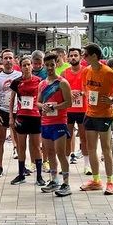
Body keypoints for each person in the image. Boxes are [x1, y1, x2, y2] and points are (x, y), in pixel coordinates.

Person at [79, 43, 113, 195]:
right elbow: (86, 88)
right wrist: (84, 94)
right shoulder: (86, 71)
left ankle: (110, 182)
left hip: (105, 115)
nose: (83, 58)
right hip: (90, 114)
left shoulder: (108, 72)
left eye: (85, 55)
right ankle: (96, 180)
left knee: (106, 149)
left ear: (94, 56)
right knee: (91, 148)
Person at [38, 53, 73, 197]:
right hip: (45, 123)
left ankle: (66, 183)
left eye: (52, 64)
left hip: (59, 122)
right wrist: (43, 106)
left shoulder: (62, 82)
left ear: (56, 64)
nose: (50, 68)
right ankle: (54, 180)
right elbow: (38, 102)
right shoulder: (42, 84)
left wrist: (55, 107)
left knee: (60, 153)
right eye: (47, 65)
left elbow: (69, 102)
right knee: (50, 152)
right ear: (44, 66)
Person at [8, 56, 45, 186]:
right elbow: (12, 99)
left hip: (35, 117)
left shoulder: (39, 81)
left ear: (32, 66)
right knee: (21, 147)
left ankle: (39, 176)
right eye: (24, 65)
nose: (27, 67)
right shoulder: (16, 82)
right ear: (21, 67)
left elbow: (43, 99)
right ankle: (21, 174)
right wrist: (11, 117)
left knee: (36, 147)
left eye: (29, 64)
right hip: (21, 117)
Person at [0, 49, 22, 177]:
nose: (8, 60)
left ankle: (22, 167)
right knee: (0, 139)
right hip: (3, 111)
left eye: (10, 58)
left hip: (18, 111)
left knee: (20, 140)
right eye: (6, 58)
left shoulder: (19, 75)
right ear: (2, 60)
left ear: (14, 59)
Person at [63, 48, 90, 173]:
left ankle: (87, 165)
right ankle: (66, 163)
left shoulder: (86, 71)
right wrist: (69, 92)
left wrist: (81, 93)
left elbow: (90, 89)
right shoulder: (65, 73)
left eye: (75, 55)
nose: (73, 57)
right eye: (71, 55)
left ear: (80, 57)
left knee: (84, 137)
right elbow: (60, 91)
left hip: (83, 109)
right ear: (68, 58)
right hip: (68, 109)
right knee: (67, 137)